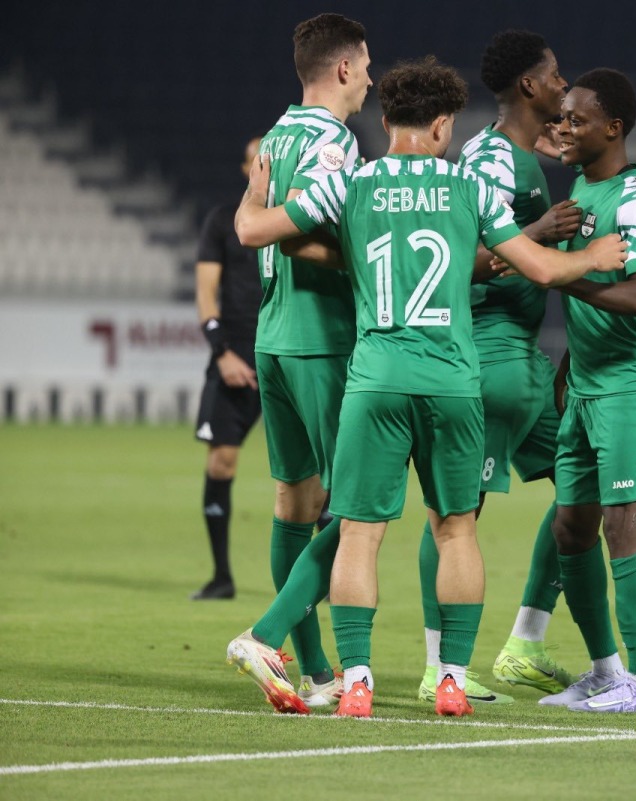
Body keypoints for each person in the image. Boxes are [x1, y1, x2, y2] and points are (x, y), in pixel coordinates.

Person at [227, 57, 627, 718]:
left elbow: (274, 238)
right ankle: (449, 677)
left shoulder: (353, 185)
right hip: (450, 381)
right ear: (444, 126)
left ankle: (355, 679)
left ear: (385, 120)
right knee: (455, 529)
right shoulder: (469, 190)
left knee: (358, 531)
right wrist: (592, 257)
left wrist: (260, 199)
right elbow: (534, 267)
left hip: (375, 378)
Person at [415, 29, 581, 706]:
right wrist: (542, 234)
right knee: (456, 515)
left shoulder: (518, 156)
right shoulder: (488, 158)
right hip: (484, 351)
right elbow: (470, 248)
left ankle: (524, 644)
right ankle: (437, 665)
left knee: (584, 487)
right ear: (528, 87)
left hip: (524, 358)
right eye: (555, 74)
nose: (564, 84)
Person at [225, 12, 372, 710]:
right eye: (366, 64)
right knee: (357, 507)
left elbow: (260, 217)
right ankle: (267, 633)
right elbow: (275, 228)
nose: (371, 77)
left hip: (274, 339)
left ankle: (314, 674)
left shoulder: (278, 134)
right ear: (343, 68)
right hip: (323, 340)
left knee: (294, 502)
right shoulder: (333, 145)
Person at [535, 68, 636, 714]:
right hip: (590, 386)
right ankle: (606, 670)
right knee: (572, 528)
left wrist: (566, 277)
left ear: (614, 128)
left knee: (626, 526)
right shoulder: (581, 187)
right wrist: (569, 365)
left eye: (576, 119)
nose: (563, 127)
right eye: (562, 116)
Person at [191, 135, 264, 601]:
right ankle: (221, 577)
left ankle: (320, 586)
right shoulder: (223, 220)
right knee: (221, 461)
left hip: (287, 349)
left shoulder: (300, 219)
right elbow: (204, 295)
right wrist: (223, 352)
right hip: (235, 351)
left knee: (317, 475)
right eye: (257, 159)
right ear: (245, 169)